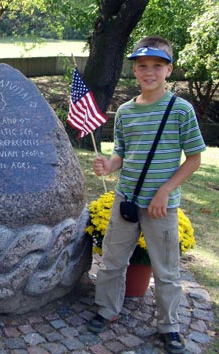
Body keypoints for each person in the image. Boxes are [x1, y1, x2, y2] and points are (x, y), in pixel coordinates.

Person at [87, 36, 206, 354]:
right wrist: (107, 165)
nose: (148, 72)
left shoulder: (181, 111)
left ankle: (170, 326)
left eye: (157, 65)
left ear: (169, 69)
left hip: (161, 208)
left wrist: (165, 191)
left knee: (166, 270)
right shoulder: (125, 112)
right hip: (127, 201)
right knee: (112, 261)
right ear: (135, 71)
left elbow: (194, 158)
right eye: (142, 66)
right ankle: (107, 310)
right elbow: (121, 156)